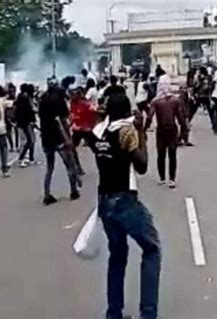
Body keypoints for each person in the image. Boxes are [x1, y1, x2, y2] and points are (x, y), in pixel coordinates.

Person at [87, 94, 161, 319]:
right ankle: (148, 313)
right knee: (152, 249)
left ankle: (114, 312)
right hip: (124, 199)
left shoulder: (99, 131)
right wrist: (141, 133)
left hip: (104, 200)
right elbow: (142, 166)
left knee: (117, 255)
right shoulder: (126, 132)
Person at [39, 79, 80, 205]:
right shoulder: (59, 101)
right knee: (70, 164)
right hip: (59, 137)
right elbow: (63, 121)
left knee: (49, 167)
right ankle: (73, 191)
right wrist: (68, 137)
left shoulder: (42, 101)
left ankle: (47, 194)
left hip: (46, 138)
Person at [145, 78, 187, 188]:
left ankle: (162, 178)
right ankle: (172, 179)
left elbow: (149, 116)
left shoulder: (156, 101)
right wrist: (184, 129)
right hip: (172, 129)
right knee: (172, 154)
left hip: (161, 129)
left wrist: (144, 129)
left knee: (161, 154)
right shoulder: (175, 100)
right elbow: (180, 116)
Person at [70, 87, 97, 175]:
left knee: (97, 149)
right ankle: (78, 168)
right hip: (77, 130)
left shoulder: (86, 104)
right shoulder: (73, 104)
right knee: (71, 149)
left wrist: (91, 126)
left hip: (86, 129)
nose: (72, 96)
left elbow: (93, 114)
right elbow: (72, 116)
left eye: (74, 95)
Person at [15, 84, 38, 167]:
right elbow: (32, 110)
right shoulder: (26, 98)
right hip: (26, 123)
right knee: (30, 141)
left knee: (30, 141)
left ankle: (30, 158)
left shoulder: (19, 97)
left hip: (22, 122)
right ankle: (22, 158)